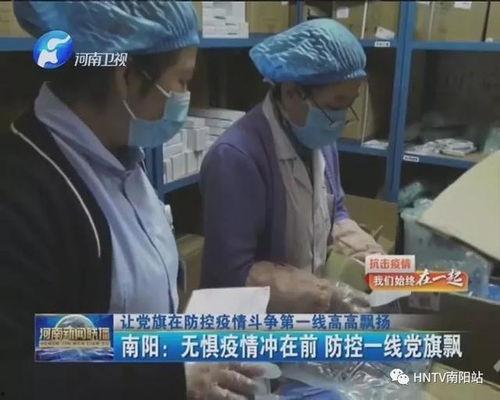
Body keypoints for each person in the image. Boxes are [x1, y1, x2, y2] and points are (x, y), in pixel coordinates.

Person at [0, 2, 260, 399]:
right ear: (125, 76)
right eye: (183, 80)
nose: (186, 96)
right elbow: (29, 358)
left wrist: (177, 345)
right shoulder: (22, 192)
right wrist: (169, 376)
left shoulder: (119, 146)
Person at [200, 19, 383, 313]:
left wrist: (372, 255)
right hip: (249, 323)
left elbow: (335, 212)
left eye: (350, 103)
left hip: (301, 315)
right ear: (292, 93)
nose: (340, 119)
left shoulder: (321, 139)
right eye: (335, 104)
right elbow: (232, 273)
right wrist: (324, 294)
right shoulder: (235, 158)